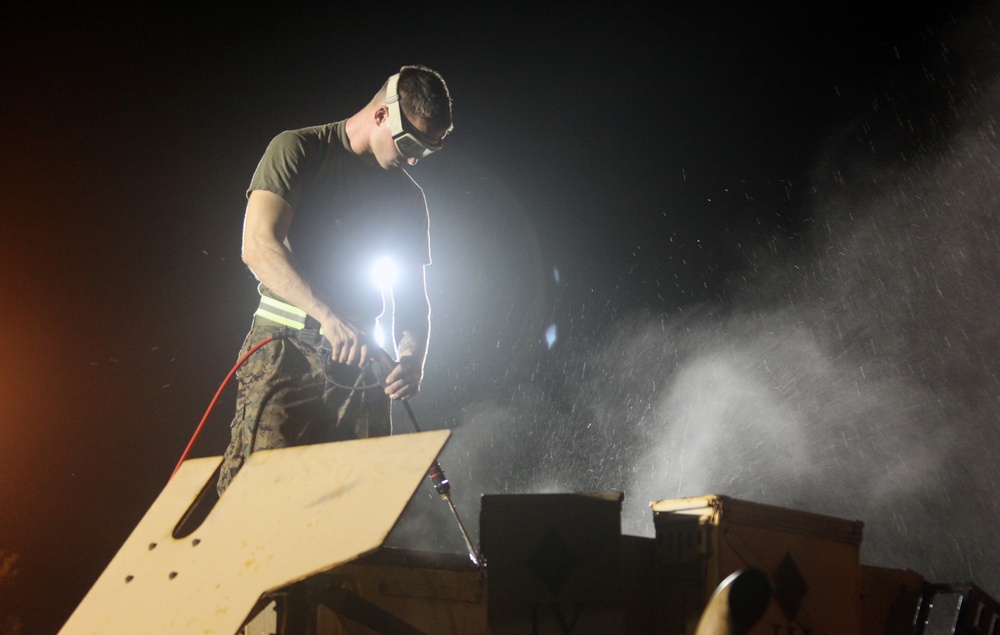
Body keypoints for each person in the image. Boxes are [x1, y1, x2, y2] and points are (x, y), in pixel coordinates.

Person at [217, 65, 453, 495]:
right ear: (383, 115)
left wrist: (412, 358)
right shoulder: (299, 149)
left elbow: (414, 303)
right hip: (283, 351)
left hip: (362, 366)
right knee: (256, 500)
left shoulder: (408, 198)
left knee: (355, 510)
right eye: (410, 144)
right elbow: (257, 246)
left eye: (427, 151)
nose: (415, 159)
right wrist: (327, 316)